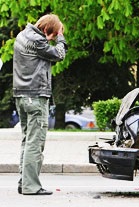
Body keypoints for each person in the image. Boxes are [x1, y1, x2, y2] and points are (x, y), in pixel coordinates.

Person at [13, 14, 67, 195]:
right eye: (50, 35)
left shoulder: (22, 36)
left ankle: (24, 182)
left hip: (21, 96)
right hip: (35, 96)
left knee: (27, 140)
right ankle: (31, 186)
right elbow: (59, 54)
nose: (50, 39)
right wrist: (60, 36)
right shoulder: (37, 41)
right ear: (45, 30)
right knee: (35, 143)